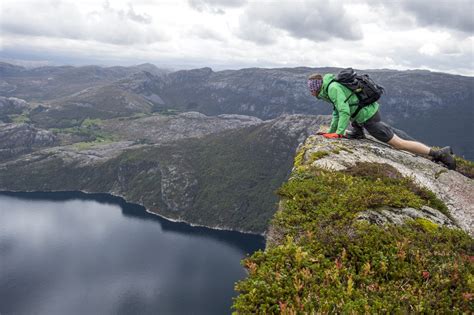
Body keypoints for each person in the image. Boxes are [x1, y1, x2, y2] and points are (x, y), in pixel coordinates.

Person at [307, 73, 456, 170]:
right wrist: (331, 132)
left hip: (368, 117)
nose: (310, 92)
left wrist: (338, 134)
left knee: (398, 144)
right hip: (362, 113)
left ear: (317, 87)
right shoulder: (329, 88)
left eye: (311, 89)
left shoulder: (332, 88)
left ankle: (438, 153)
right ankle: (357, 132)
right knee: (357, 123)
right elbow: (337, 112)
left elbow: (344, 111)